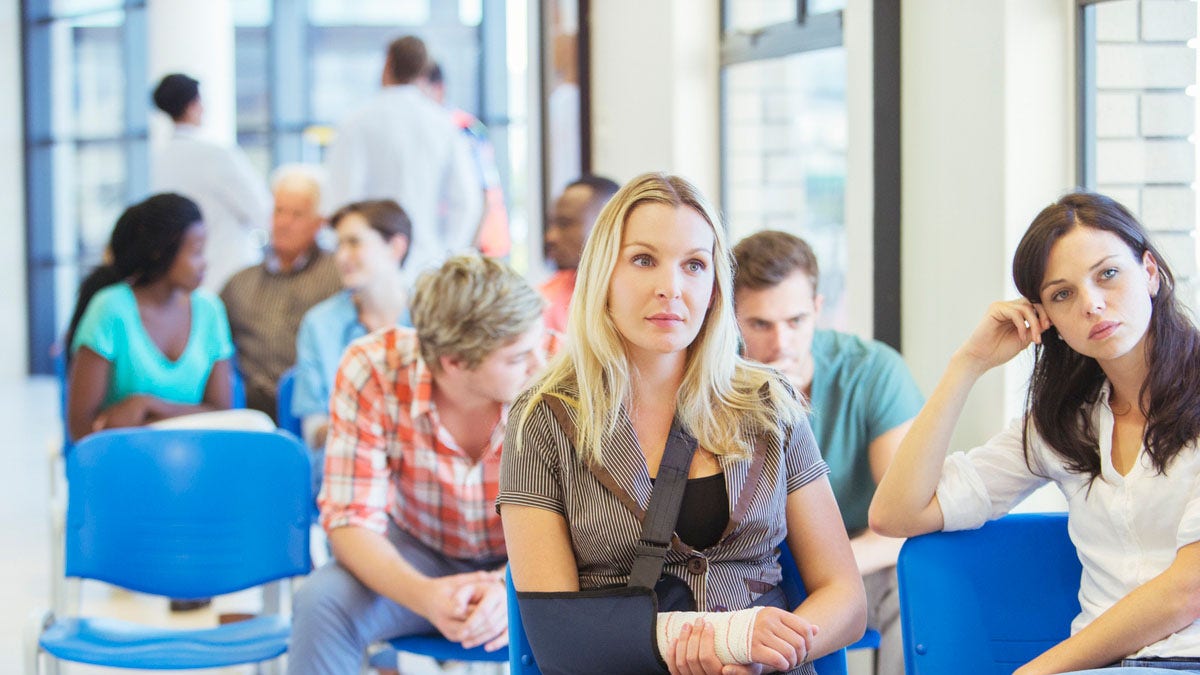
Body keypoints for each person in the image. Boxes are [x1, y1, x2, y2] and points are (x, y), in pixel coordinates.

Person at [500, 173, 867, 675]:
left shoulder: (767, 403)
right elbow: (557, 636)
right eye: (643, 260)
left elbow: (844, 597)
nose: (671, 288)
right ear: (603, 273)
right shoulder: (541, 419)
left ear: (716, 287)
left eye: (694, 265)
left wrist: (766, 656)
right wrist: (727, 641)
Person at [870, 192, 1200, 674]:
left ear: (1149, 272)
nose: (1092, 304)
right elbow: (897, 513)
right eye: (1062, 294)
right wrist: (968, 365)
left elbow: (1188, 590)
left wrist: (1036, 670)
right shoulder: (1063, 423)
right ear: (1049, 321)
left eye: (1108, 274)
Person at [288, 254, 556, 674]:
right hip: (418, 551)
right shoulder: (373, 368)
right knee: (322, 601)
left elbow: (583, 523)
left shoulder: (558, 368)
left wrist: (514, 588)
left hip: (537, 554)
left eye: (537, 346)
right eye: (518, 358)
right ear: (454, 361)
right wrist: (424, 595)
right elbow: (349, 519)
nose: (540, 365)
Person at [733, 231, 922, 675]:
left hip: (858, 565)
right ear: (732, 320)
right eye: (760, 324)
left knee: (913, 581)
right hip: (753, 572)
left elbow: (906, 519)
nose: (781, 342)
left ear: (818, 309)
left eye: (796, 320)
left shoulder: (873, 372)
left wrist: (831, 571)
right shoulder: (714, 386)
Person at [65, 193, 235, 443]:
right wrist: (176, 422)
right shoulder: (110, 308)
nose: (204, 264)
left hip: (194, 458)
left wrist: (146, 406)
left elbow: (221, 414)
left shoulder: (210, 310)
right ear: (160, 251)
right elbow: (81, 427)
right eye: (196, 252)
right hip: (121, 461)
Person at [324, 35, 482, 282]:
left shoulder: (357, 122)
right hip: (428, 262)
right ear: (423, 70)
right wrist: (448, 253)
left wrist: (349, 249)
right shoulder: (443, 123)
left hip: (369, 262)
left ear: (387, 64)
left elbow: (341, 200)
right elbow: (467, 201)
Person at [221, 164, 341, 420]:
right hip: (253, 415)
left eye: (297, 214)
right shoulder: (239, 283)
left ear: (319, 223)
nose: (283, 223)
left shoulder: (339, 276)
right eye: (278, 211)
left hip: (321, 410)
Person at [293, 199, 412, 454]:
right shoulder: (319, 324)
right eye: (339, 245)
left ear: (395, 247)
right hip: (344, 465)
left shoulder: (433, 317)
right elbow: (313, 430)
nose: (341, 256)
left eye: (354, 242)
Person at [150, 73, 271, 292]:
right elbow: (260, 209)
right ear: (192, 106)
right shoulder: (216, 154)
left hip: (185, 281)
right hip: (230, 275)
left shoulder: (159, 159)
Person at [420, 61, 511, 259]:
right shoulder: (436, 130)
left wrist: (463, 258)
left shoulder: (463, 129)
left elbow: (484, 194)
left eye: (420, 93)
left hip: (482, 248)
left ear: (438, 89)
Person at [539, 174, 620, 332]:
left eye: (565, 223)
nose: (550, 237)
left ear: (607, 225)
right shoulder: (544, 301)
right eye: (552, 224)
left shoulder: (646, 294)